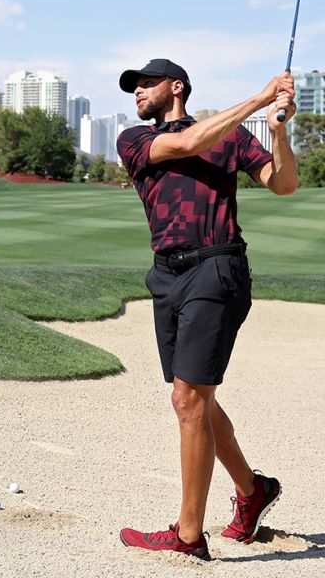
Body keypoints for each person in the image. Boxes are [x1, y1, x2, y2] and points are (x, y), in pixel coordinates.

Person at [114, 59, 297, 560]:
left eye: (147, 84)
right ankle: (252, 489)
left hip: (217, 268)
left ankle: (189, 535)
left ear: (177, 87)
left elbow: (282, 185)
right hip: (166, 275)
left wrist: (278, 131)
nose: (137, 94)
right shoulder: (133, 140)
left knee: (189, 400)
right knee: (194, 397)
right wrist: (259, 102)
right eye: (135, 88)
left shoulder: (233, 137)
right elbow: (188, 144)